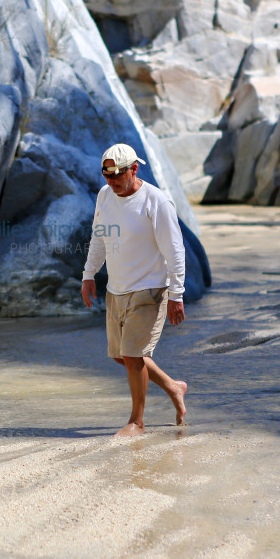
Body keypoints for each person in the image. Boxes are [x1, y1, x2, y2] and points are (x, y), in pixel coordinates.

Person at [81, 143, 188, 437]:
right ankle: (174, 387)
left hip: (151, 288)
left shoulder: (156, 202)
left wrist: (176, 295)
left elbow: (175, 251)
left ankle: (137, 423)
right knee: (122, 356)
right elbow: (99, 237)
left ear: (134, 169)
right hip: (116, 289)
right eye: (107, 176)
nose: (112, 181)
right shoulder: (105, 195)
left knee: (133, 355)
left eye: (118, 175)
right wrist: (89, 274)